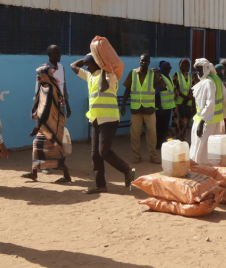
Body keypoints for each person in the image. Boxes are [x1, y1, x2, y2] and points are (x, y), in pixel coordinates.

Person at [71, 54, 135, 194]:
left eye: (89, 64)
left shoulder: (110, 75)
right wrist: (92, 55)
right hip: (96, 119)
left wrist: (103, 66)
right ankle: (101, 185)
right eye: (86, 64)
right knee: (95, 155)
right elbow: (73, 66)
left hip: (109, 119)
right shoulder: (90, 76)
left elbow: (102, 87)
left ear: (97, 64)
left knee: (104, 151)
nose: (86, 66)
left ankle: (127, 170)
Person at [21, 66, 71, 182]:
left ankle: (66, 175)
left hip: (52, 124)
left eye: (39, 75)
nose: (37, 77)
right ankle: (34, 173)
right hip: (45, 124)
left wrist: (37, 127)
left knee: (55, 148)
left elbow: (45, 109)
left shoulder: (49, 89)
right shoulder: (44, 87)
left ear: (45, 76)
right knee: (37, 145)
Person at [121, 54, 166, 164]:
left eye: (146, 61)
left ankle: (153, 156)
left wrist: (159, 74)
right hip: (136, 109)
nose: (144, 63)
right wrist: (122, 105)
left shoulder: (153, 74)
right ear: (139, 61)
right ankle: (137, 156)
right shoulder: (132, 73)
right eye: (142, 61)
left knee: (152, 134)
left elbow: (163, 87)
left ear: (149, 62)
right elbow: (127, 90)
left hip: (149, 109)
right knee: (135, 134)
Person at [35, 45, 71, 174]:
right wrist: (37, 109)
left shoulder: (61, 68)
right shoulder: (43, 69)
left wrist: (68, 105)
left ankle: (54, 162)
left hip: (59, 106)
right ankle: (44, 165)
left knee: (57, 135)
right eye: (56, 53)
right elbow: (37, 91)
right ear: (49, 54)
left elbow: (64, 88)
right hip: (47, 107)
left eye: (60, 53)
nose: (59, 55)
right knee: (46, 135)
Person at [190, 58, 226, 164]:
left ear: (206, 68)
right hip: (215, 121)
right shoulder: (216, 79)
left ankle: (199, 170)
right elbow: (225, 98)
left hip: (206, 122)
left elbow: (210, 104)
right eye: (197, 71)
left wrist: (202, 121)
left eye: (200, 70)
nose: (198, 73)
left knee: (201, 149)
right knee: (212, 148)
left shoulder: (207, 82)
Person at [172, 59, 194, 142]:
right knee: (177, 123)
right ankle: (176, 140)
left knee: (185, 123)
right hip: (177, 104)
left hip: (187, 104)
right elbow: (174, 88)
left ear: (188, 67)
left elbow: (193, 89)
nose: (184, 67)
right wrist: (185, 97)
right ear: (179, 66)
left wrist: (187, 98)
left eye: (186, 65)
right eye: (182, 65)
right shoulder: (176, 75)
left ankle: (183, 139)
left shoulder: (191, 77)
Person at [155, 61, 175, 149]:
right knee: (159, 127)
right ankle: (157, 144)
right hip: (161, 108)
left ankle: (162, 143)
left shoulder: (169, 77)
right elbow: (157, 93)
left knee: (165, 127)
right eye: (167, 68)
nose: (168, 70)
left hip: (169, 106)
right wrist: (160, 107)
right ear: (163, 68)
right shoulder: (160, 77)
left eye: (169, 68)